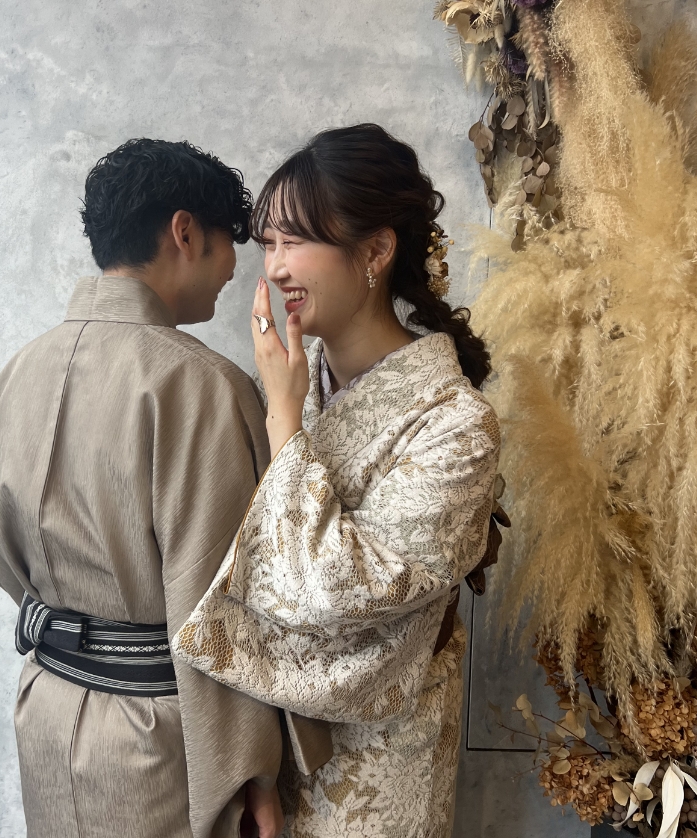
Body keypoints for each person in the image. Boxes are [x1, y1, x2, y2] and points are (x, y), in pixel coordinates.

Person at [0, 138, 327, 838]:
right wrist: (251, 772)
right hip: (157, 739)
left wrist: (71, 615)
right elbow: (223, 602)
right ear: (184, 233)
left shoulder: (20, 370)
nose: (235, 271)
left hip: (47, 705)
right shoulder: (202, 386)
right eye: (229, 245)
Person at [173, 124, 503, 838]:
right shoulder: (297, 384)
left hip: (379, 777)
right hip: (269, 764)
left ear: (376, 251)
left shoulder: (455, 424)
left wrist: (284, 421)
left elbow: (335, 593)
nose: (275, 268)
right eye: (267, 244)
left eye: (295, 241)